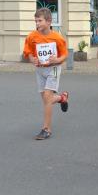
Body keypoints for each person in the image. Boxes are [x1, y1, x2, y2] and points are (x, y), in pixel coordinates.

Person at [22, 8, 70, 140]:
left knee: (47, 97)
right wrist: (32, 59)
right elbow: (28, 51)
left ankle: (46, 129)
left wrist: (57, 60)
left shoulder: (57, 37)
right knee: (46, 100)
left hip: (53, 68)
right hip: (40, 70)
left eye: (40, 21)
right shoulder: (32, 36)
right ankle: (62, 98)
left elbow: (65, 55)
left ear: (49, 21)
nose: (37, 23)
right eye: (36, 21)